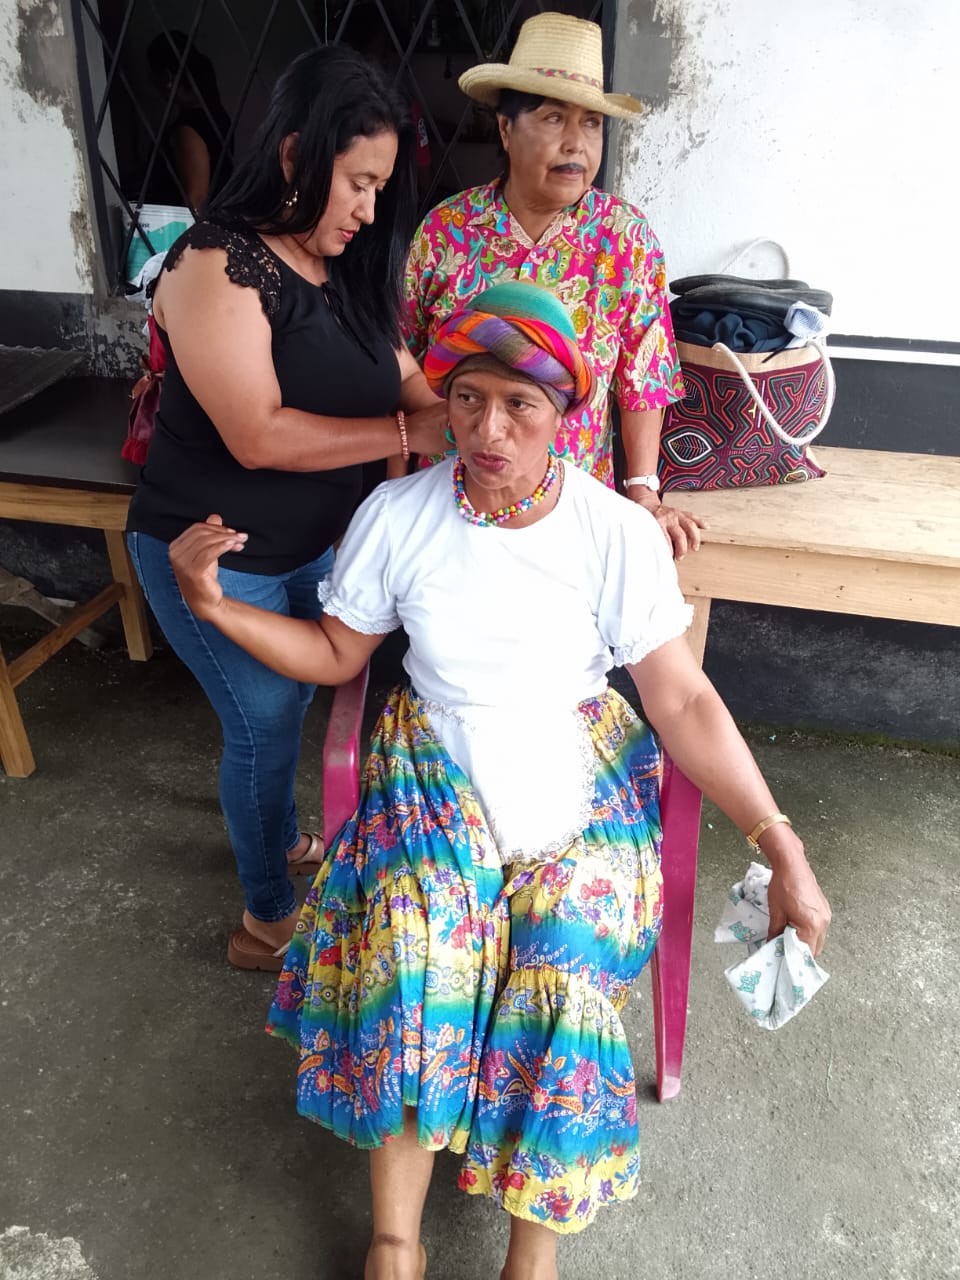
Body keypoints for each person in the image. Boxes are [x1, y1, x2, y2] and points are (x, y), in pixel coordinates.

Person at [168, 281, 831, 1280]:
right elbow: (338, 652)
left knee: (563, 950)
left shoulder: (614, 531)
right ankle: (396, 1238)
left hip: (577, 764)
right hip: (434, 764)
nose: (487, 429)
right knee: (416, 937)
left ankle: (533, 1250)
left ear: (564, 412)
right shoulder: (398, 514)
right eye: (468, 398)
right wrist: (214, 604)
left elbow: (684, 700)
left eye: (520, 404)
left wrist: (781, 841)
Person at [126, 46, 449, 971]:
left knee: (296, 702)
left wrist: (469, 414)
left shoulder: (341, 271)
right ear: (297, 154)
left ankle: (278, 837)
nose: (369, 210)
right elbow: (257, 435)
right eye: (359, 183)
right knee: (263, 725)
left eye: (380, 188)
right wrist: (408, 432)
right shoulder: (213, 263)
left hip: (315, 548)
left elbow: (410, 385)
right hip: (213, 553)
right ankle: (265, 922)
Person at [401, 11, 703, 560]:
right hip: (451, 508)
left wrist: (643, 491)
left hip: (571, 517)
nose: (576, 144)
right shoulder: (446, 232)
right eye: (554, 117)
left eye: (591, 123)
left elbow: (644, 376)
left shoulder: (625, 239)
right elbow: (403, 362)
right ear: (505, 129)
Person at [145, 30, 233, 212]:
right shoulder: (217, 115)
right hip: (219, 222)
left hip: (190, 227)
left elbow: (196, 202)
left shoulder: (188, 130)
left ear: (167, 77)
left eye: (153, 77)